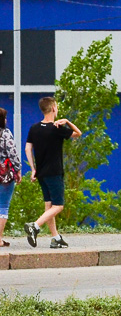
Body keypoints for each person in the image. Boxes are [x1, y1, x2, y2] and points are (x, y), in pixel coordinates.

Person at [24, 96, 80, 249]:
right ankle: (34, 226)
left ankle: (55, 238)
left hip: (41, 173)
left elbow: (28, 148)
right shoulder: (57, 128)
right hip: (54, 172)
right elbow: (78, 133)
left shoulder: (34, 128)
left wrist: (33, 169)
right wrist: (67, 121)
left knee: (49, 207)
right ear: (54, 108)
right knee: (58, 206)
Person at [0, 107, 21, 247]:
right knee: (3, 207)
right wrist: (18, 170)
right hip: (4, 176)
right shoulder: (5, 134)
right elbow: (12, 153)